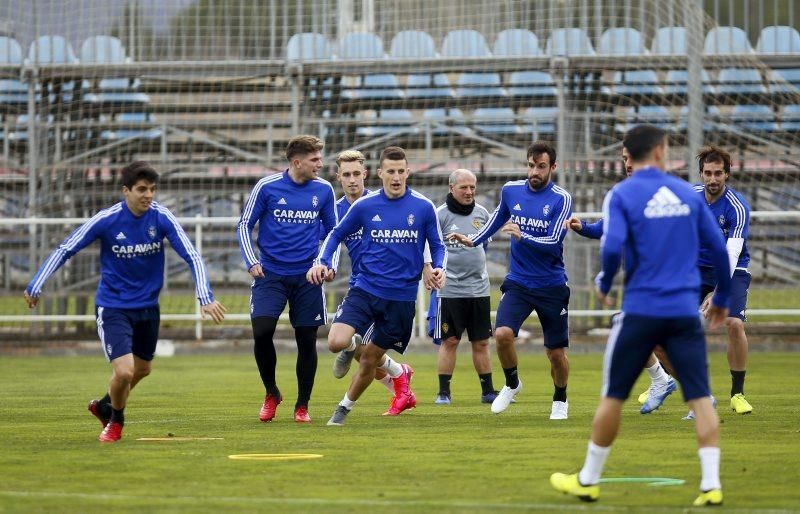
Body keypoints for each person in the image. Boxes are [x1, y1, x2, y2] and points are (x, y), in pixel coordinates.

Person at [550, 125, 731, 507]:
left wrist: (603, 280)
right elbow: (717, 247)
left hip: (642, 311)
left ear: (628, 156)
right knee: (700, 398)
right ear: (662, 151)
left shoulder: (623, 193)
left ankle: (588, 479)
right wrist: (724, 296)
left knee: (613, 398)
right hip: (683, 312)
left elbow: (613, 247)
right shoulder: (687, 193)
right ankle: (711, 484)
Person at [24, 161, 227, 443]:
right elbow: (66, 248)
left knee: (143, 370)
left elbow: (192, 256)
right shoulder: (107, 220)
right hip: (113, 307)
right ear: (126, 191)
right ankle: (115, 421)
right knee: (125, 370)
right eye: (142, 189)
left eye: (153, 190)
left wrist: (205, 296)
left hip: (148, 308)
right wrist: (36, 283)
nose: (148, 195)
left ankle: (104, 404)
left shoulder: (161, 217)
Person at [308, 146, 447, 426]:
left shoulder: (422, 207)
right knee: (337, 342)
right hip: (365, 287)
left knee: (368, 356)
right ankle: (391, 371)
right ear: (381, 173)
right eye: (391, 171)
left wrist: (436, 267)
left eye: (400, 171)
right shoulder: (356, 208)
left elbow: (436, 244)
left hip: (401, 298)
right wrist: (323, 262)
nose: (395, 177)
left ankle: (343, 410)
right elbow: (333, 236)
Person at [450, 141, 573, 420]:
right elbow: (496, 220)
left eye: (541, 167)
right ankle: (512, 383)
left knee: (555, 353)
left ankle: (560, 399)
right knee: (503, 335)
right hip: (519, 281)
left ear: (553, 167)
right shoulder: (511, 190)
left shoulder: (561, 198)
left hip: (551, 285)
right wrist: (472, 240)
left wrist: (523, 236)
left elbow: (554, 241)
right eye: (531, 165)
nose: (535, 172)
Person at [565, 146, 677, 415]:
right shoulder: (624, 195)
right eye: (625, 158)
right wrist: (584, 228)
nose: (628, 163)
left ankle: (683, 390)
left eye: (633, 157)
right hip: (646, 286)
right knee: (640, 334)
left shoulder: (667, 194)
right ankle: (674, 386)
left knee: (651, 339)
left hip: (667, 283)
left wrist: (604, 281)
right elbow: (608, 229)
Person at [237, 135, 337, 424]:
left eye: (320, 157)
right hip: (271, 274)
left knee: (306, 339)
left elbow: (334, 230)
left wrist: (326, 263)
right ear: (297, 162)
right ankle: (271, 392)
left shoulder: (324, 189)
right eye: (314, 159)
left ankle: (302, 405)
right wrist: (251, 260)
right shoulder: (267, 187)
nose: (320, 163)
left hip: (308, 276)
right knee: (262, 331)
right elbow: (245, 224)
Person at [328, 149, 401, 398]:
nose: (352, 179)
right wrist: (325, 264)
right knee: (348, 346)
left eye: (356, 173)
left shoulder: (382, 202)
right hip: (359, 285)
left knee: (368, 351)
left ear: (365, 174)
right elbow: (329, 240)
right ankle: (400, 375)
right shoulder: (335, 211)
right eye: (346, 174)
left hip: (386, 287)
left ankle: (398, 383)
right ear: (338, 177)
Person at [424, 169, 498, 405]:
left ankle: (488, 392)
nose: (469, 192)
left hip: (479, 289)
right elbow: (431, 247)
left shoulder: (482, 213)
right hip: (450, 289)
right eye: (463, 187)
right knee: (451, 341)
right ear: (451, 188)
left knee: (482, 342)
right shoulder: (440, 215)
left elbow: (484, 246)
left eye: (472, 187)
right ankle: (443, 393)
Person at [693, 145, 753, 416]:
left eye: (718, 173)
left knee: (734, 323)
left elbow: (732, 252)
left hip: (732, 269)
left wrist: (717, 292)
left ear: (727, 175)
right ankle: (663, 381)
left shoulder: (737, 207)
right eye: (708, 173)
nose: (713, 179)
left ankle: (737, 394)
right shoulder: (689, 198)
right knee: (664, 321)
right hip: (695, 269)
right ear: (701, 173)